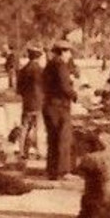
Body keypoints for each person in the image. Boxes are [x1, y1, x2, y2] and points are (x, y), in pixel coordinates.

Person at [42, 41, 78, 179]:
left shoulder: (49, 64)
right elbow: (65, 86)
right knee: (64, 138)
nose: (70, 55)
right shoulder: (60, 65)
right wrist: (75, 95)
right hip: (60, 106)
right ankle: (64, 171)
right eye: (69, 52)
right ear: (63, 51)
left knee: (52, 139)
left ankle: (52, 171)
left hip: (49, 105)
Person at [15, 45, 46, 165]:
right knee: (38, 128)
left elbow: (19, 90)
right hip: (39, 102)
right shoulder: (40, 70)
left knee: (25, 127)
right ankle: (39, 152)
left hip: (27, 102)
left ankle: (23, 151)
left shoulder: (23, 71)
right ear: (38, 57)